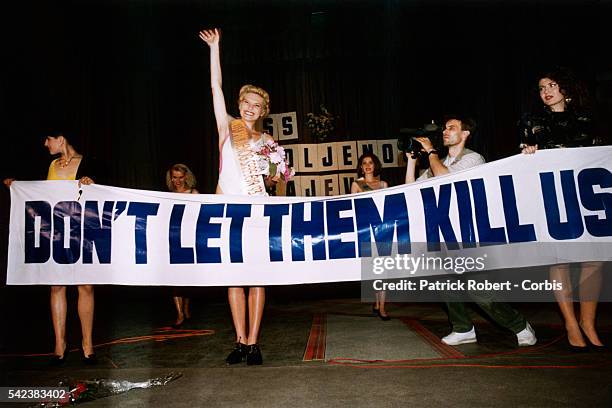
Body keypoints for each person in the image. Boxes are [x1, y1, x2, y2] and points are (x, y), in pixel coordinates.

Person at [405, 115, 537, 347]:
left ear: (465, 134)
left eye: (451, 128)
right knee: (445, 284)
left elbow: (445, 178)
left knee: (480, 293)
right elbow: (410, 190)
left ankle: (519, 325)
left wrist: (431, 151)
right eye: (445, 128)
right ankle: (462, 328)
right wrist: (412, 161)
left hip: (469, 235)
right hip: (445, 234)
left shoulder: (474, 158)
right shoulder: (439, 160)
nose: (445, 131)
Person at [200, 28, 278, 365]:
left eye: (256, 105)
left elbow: (275, 179)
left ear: (262, 111)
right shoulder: (226, 125)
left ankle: (255, 342)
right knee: (233, 277)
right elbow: (215, 86)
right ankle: (240, 341)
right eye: (246, 102)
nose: (250, 108)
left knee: (256, 276)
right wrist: (215, 48)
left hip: (257, 209)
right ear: (239, 104)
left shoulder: (268, 140)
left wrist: (277, 172)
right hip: (225, 208)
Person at [521, 67, 605, 351]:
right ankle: (570, 323)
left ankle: (588, 322)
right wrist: (527, 154)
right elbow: (524, 158)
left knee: (593, 260)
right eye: (542, 87)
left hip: (586, 195)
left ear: (566, 90)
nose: (546, 90)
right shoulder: (532, 121)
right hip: (552, 196)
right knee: (561, 260)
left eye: (552, 85)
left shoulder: (588, 119)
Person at [3, 129, 97, 364]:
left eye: (48, 139)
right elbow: (37, 193)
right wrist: (17, 187)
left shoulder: (89, 162)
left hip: (82, 231)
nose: (45, 144)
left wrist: (91, 184)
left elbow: (102, 197)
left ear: (61, 138)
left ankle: (87, 344)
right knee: (57, 285)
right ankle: (60, 344)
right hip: (55, 232)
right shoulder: (51, 165)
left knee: (85, 286)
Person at [351, 153, 390, 320]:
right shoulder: (356, 184)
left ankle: (382, 307)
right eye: (364, 163)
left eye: (371, 162)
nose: (367, 165)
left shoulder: (383, 184)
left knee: (384, 269)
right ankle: (376, 302)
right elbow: (354, 209)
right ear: (360, 166)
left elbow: (388, 207)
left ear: (375, 166)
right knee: (374, 269)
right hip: (366, 230)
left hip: (382, 229)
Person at [166, 163, 199, 328]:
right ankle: (179, 313)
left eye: (180, 177)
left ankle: (186, 306)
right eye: (174, 177)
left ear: (186, 177)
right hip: (173, 238)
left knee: (187, 278)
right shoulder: (167, 196)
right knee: (174, 278)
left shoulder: (193, 193)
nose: (177, 181)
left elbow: (200, 215)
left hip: (189, 238)